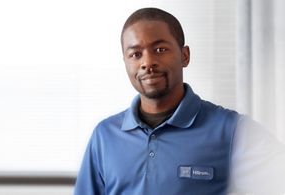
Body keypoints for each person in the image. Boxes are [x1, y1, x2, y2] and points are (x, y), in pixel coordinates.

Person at [74, 7, 285, 195]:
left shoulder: (232, 131)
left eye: (160, 50)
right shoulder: (104, 136)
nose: (147, 62)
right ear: (126, 62)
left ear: (184, 55)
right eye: (136, 54)